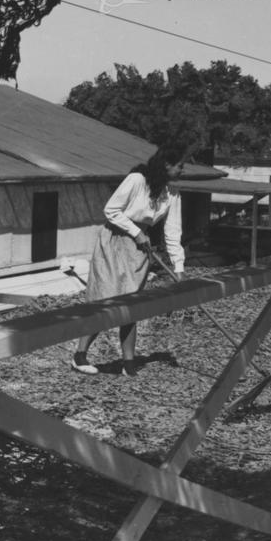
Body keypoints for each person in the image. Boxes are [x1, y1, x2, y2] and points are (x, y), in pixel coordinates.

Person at [72, 145, 185, 376]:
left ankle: (128, 362)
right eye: (180, 165)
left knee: (131, 304)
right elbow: (111, 210)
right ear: (167, 165)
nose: (183, 170)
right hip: (114, 241)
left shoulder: (172, 193)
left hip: (139, 249)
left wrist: (179, 266)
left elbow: (173, 231)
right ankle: (79, 355)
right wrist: (136, 232)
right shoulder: (136, 180)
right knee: (104, 301)